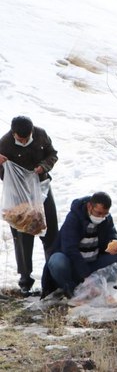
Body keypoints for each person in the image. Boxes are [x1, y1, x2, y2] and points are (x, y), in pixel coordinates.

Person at [0, 116, 59, 296]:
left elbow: (52, 154)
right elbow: (4, 174)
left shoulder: (41, 135)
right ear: (13, 133)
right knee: (23, 234)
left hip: (41, 188)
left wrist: (43, 166)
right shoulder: (5, 143)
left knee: (50, 231)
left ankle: (53, 277)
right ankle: (25, 280)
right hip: (18, 195)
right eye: (20, 138)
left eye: (27, 138)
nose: (24, 141)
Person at [40, 192, 117, 299]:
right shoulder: (73, 218)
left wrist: (114, 242)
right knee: (57, 260)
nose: (101, 217)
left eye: (104, 214)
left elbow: (112, 233)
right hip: (74, 267)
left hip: (94, 263)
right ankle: (71, 290)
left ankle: (104, 288)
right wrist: (86, 276)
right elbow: (70, 249)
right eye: (98, 213)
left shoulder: (106, 218)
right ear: (89, 206)